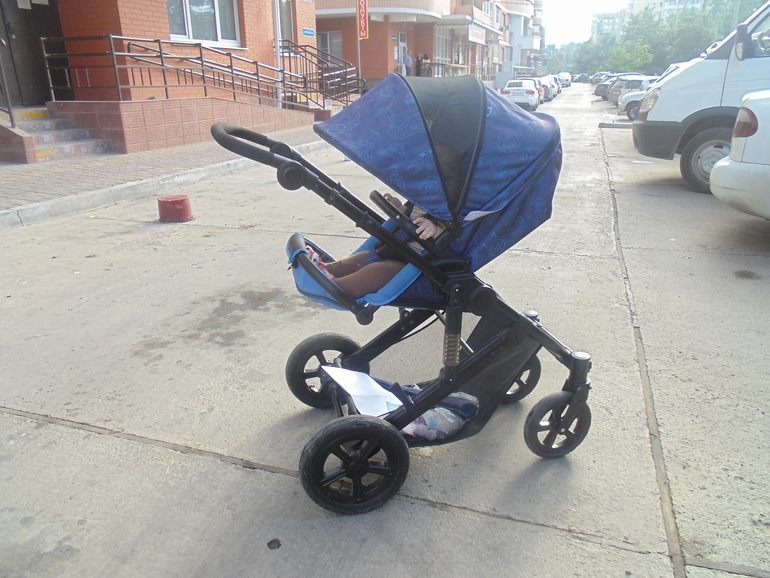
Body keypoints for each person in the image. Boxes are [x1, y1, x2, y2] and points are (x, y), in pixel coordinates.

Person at [307, 193, 444, 299]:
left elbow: (454, 237)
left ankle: (335, 287)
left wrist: (436, 231)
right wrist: (399, 208)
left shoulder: (447, 208)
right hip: (397, 251)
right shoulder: (425, 198)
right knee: (362, 257)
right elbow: (410, 217)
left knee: (378, 271)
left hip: (417, 268)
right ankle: (325, 269)